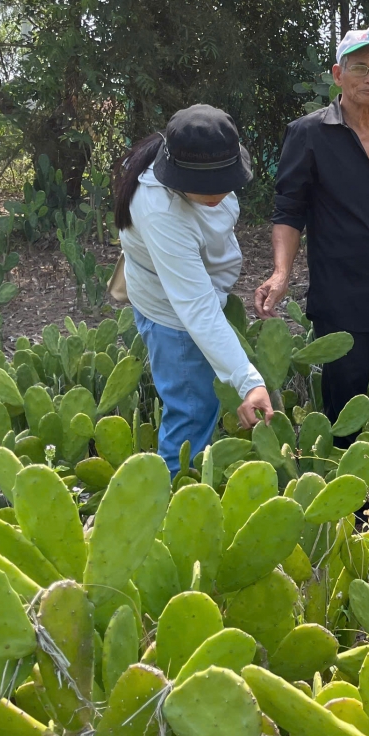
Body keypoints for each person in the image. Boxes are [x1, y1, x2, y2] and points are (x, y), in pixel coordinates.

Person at [256, 25, 369, 442]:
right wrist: (281, 273)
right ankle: (347, 487)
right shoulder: (309, 134)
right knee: (343, 414)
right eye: (360, 68)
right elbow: (289, 210)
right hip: (342, 300)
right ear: (338, 74)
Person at [115, 104, 273, 474]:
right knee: (191, 412)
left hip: (196, 294)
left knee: (201, 403)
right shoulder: (161, 211)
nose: (218, 191)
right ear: (177, 175)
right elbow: (196, 309)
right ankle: (174, 495)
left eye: (225, 180)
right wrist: (249, 383)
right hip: (172, 314)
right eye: (206, 186)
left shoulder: (191, 156)